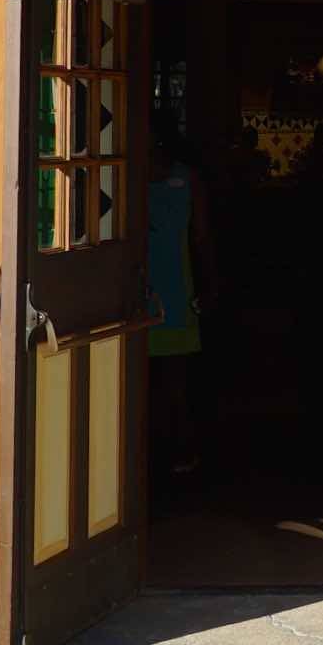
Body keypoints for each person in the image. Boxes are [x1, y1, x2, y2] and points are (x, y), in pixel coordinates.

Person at [146, 122, 218, 477]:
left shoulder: (187, 180)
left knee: (175, 380)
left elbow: (201, 237)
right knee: (135, 379)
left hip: (176, 285)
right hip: (137, 286)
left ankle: (182, 449)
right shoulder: (125, 177)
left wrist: (209, 284)